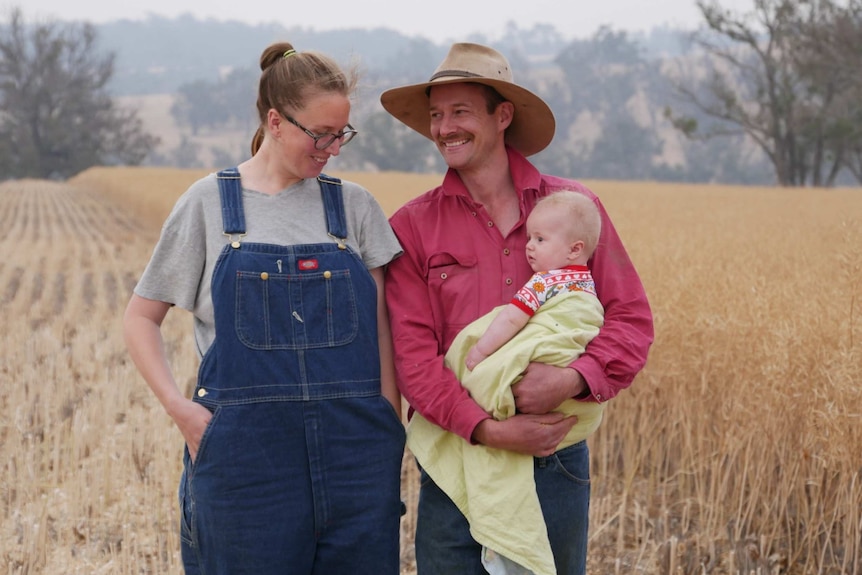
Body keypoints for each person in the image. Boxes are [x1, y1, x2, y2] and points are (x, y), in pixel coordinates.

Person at [123, 41, 406, 575]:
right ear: (275, 122)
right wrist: (180, 411)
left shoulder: (355, 207)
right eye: (319, 134)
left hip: (356, 457)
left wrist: (389, 418)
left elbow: (382, 326)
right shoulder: (208, 203)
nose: (332, 149)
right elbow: (140, 319)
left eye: (341, 133)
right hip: (245, 465)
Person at [380, 42, 654, 575]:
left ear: (502, 115)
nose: (443, 128)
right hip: (456, 456)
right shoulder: (412, 227)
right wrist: (486, 429)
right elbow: (413, 359)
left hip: (551, 458)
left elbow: (630, 319)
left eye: (460, 112)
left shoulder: (577, 211)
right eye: (436, 115)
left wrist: (575, 378)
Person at [407, 190, 606, 575]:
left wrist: (481, 356)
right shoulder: (585, 284)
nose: (528, 248)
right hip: (462, 437)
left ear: (574, 248)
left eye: (539, 241)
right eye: (529, 238)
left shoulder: (545, 280)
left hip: (553, 451)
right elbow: (411, 353)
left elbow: (514, 321)